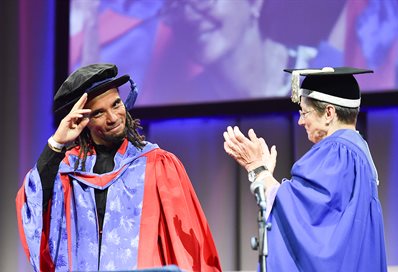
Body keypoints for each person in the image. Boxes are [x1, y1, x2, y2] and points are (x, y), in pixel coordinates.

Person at [16, 63, 221, 272]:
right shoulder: (68, 173)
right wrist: (57, 142)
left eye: (116, 104)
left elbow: (190, 247)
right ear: (81, 120)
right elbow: (33, 204)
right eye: (98, 113)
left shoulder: (157, 164)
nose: (113, 118)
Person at [223, 67, 387, 271]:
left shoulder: (336, 152)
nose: (300, 121)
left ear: (329, 112)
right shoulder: (358, 151)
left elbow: (307, 217)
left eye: (304, 112)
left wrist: (259, 170)